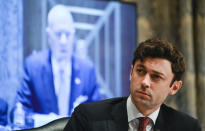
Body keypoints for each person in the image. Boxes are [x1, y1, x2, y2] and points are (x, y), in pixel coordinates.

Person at [63, 38, 202, 131]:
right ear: (131, 73)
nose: (144, 82)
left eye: (156, 77)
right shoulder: (88, 116)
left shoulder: (187, 127)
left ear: (174, 87)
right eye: (140, 71)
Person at [14, 4, 101, 124]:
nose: (63, 41)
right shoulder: (33, 67)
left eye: (68, 34)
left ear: (74, 35)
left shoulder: (87, 70)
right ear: (49, 35)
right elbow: (20, 111)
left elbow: (99, 115)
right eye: (58, 34)